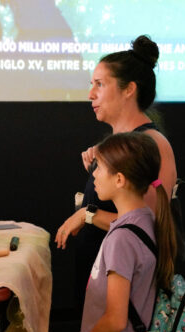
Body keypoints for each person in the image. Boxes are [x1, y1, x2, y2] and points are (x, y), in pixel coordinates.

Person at [55, 35, 177, 315]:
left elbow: (150, 227)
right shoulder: (120, 145)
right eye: (91, 85)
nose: (90, 94)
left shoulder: (152, 144)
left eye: (100, 84)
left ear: (128, 89)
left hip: (124, 307)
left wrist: (87, 214)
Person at [58, 131, 177, 332]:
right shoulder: (145, 219)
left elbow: (115, 320)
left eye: (99, 168)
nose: (94, 177)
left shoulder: (121, 239)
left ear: (120, 179)